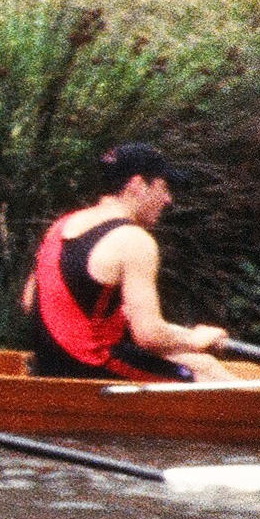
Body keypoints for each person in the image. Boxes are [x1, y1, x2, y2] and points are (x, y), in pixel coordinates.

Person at [24, 144, 239, 382]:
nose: (168, 200)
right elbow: (149, 335)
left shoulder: (61, 226)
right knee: (205, 369)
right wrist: (195, 340)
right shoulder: (134, 240)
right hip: (92, 366)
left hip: (50, 364)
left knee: (197, 361)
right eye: (163, 187)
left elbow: (29, 302)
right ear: (137, 185)